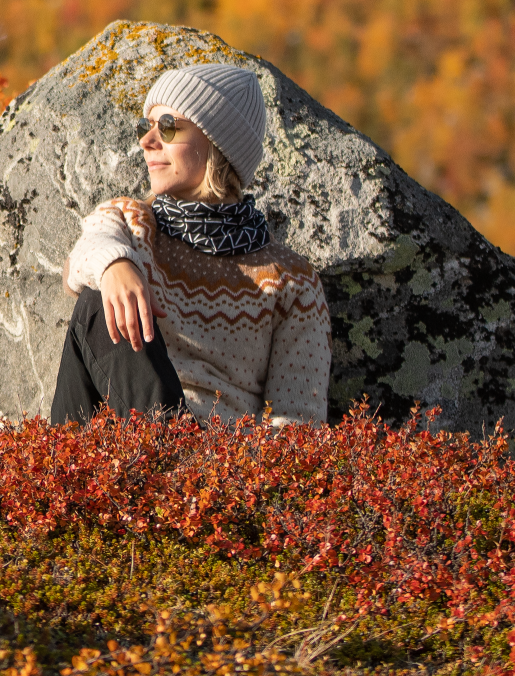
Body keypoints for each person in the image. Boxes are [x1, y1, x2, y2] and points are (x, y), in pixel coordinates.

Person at [51, 63, 331, 427]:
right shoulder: (133, 223)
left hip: (218, 470)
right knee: (95, 299)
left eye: (168, 127)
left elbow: (297, 424)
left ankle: (176, 460)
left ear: (218, 143)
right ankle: (154, 457)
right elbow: (82, 259)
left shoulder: (292, 280)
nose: (147, 141)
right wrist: (114, 266)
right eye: (145, 127)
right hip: (116, 450)